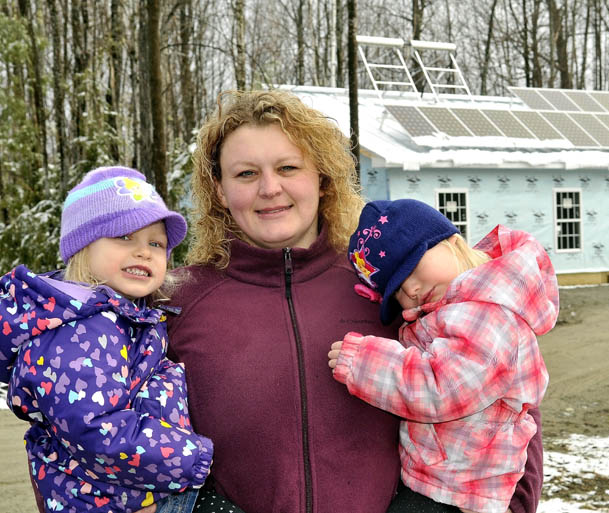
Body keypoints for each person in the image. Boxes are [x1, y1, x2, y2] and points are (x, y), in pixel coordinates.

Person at [166, 88, 545, 513]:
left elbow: (505, 408)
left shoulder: (391, 288)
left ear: (322, 179)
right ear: (219, 189)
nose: (270, 188)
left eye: (288, 167)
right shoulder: (177, 302)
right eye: (246, 174)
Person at [0, 167, 213, 513]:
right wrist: (194, 457)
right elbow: (97, 430)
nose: (144, 252)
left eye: (156, 243)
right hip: (113, 501)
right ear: (83, 246)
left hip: (138, 490)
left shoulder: (126, 316)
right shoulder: (78, 330)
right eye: (124, 237)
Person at [327, 199, 558, 513]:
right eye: (395, 290)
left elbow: (441, 388)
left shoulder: (489, 314)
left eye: (410, 267)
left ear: (451, 242)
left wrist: (364, 362)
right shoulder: (460, 305)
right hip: (447, 477)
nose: (410, 289)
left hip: (462, 489)